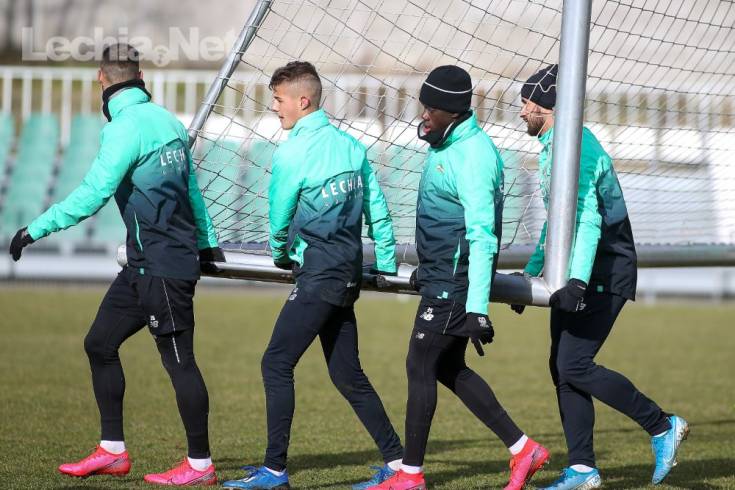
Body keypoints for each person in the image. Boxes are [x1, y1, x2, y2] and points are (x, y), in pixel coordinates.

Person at [8, 43, 224, 486]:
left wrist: (34, 229)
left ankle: (200, 465)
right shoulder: (167, 120)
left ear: (101, 79)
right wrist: (207, 242)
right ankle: (112, 451)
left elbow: (92, 194)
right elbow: (193, 191)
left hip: (163, 266)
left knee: (179, 362)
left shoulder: (123, 129)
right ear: (140, 77)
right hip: (143, 266)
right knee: (99, 344)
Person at [222, 61, 403, 490]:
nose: (275, 107)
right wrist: (387, 263)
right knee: (347, 375)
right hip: (348, 273)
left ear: (302, 101)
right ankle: (400, 465)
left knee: (276, 363)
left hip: (320, 274)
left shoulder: (292, 152)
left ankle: (274, 471)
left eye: (279, 99)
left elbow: (280, 215)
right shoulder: (352, 146)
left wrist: (281, 256)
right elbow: (378, 210)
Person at [370, 65, 549, 490]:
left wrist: (476, 309)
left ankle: (410, 475)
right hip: (441, 277)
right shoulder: (446, 143)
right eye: (423, 106)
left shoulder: (474, 156)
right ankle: (524, 449)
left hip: (456, 283)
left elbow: (483, 237)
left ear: (453, 111)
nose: (424, 115)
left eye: (431, 108)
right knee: (448, 367)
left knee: (419, 364)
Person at [515, 64, 688, 489]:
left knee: (573, 363)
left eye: (525, 103)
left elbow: (589, 220)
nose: (521, 112)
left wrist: (576, 281)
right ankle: (582, 469)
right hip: (579, 270)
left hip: (604, 269)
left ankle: (662, 425)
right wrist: (531, 273)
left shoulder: (577, 146)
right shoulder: (553, 147)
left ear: (545, 105)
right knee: (562, 367)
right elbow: (557, 223)